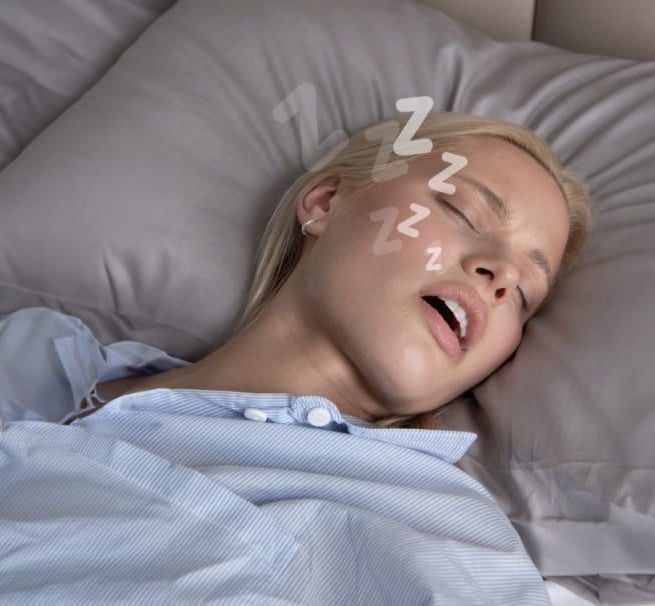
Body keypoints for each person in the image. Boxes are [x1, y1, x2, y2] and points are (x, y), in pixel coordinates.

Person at [0, 112, 590, 604]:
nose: (501, 275)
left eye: (524, 294)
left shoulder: (448, 531)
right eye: (462, 212)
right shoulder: (36, 355)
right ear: (326, 202)